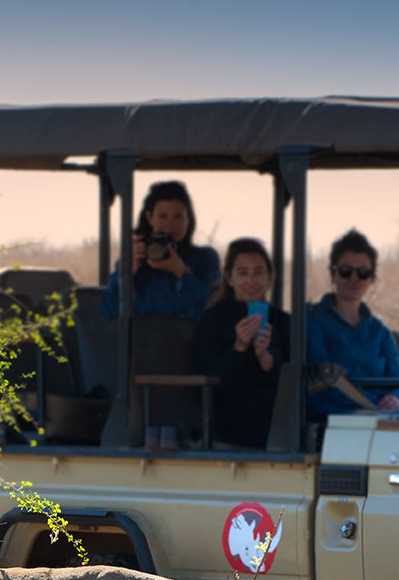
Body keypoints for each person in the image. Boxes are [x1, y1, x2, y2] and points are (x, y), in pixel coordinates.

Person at [191, 238, 291, 448]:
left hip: (277, 422)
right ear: (229, 278)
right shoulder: (212, 321)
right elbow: (210, 384)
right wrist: (238, 348)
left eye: (258, 272)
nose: (251, 281)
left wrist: (267, 357)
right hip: (228, 423)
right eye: (243, 273)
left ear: (270, 277)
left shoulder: (284, 322)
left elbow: (294, 380)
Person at [304, 229, 399, 413]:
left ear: (371, 279)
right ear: (333, 275)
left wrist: (394, 398)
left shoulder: (380, 332)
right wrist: (356, 412)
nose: (353, 278)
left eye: (363, 273)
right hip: (331, 425)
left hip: (379, 422)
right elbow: (315, 388)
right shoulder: (313, 322)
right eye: (345, 271)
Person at [101, 180, 221, 319]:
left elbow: (213, 312)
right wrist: (128, 273)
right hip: (141, 339)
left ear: (188, 219)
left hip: (189, 340)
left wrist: (182, 272)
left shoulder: (204, 258)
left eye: (178, 217)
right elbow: (108, 312)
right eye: (162, 216)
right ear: (150, 218)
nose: (170, 224)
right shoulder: (134, 258)